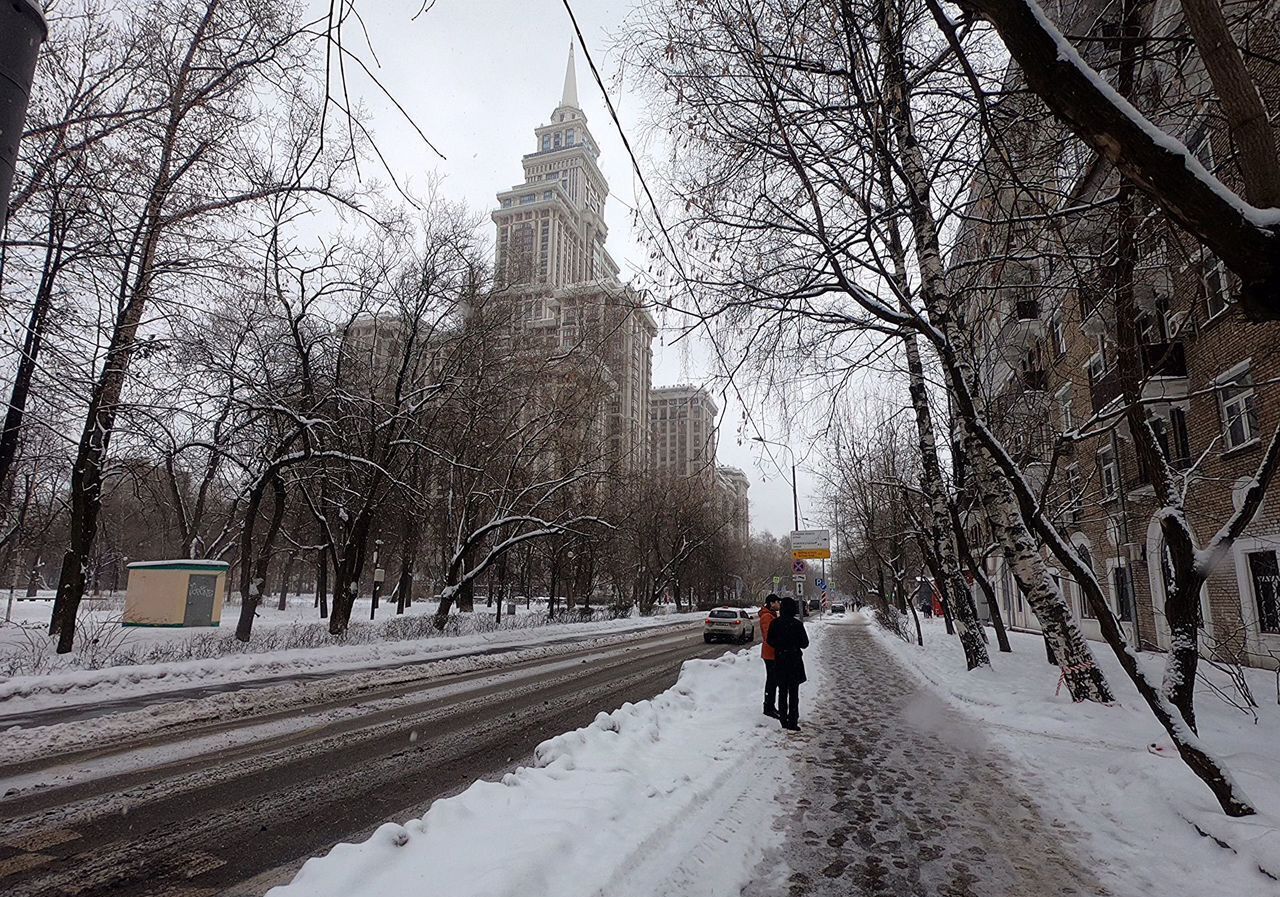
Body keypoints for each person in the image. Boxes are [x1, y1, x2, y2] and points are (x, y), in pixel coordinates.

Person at [766, 595, 809, 731]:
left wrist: (780, 646)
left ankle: (783, 719)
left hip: (780, 660)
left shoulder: (775, 623)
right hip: (794, 661)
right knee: (794, 692)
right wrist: (793, 644)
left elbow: (770, 640)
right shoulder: (797, 624)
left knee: (782, 691)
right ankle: (793, 721)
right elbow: (804, 643)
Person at [758, 594, 781, 718]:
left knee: (773, 680)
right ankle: (768, 707)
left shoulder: (771, 615)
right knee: (772, 681)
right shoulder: (767, 617)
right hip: (770, 653)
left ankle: (770, 706)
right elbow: (769, 636)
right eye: (778, 602)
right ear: (772, 603)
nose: (779, 604)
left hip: (772, 652)